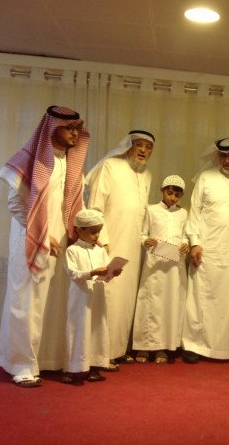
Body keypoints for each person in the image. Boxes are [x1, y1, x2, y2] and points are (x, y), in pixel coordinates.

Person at [0, 105, 89, 387]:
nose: (74, 134)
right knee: (28, 302)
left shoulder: (71, 164)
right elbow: (15, 204)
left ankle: (48, 360)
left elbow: (73, 206)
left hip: (62, 244)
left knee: (56, 302)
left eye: (77, 129)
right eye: (68, 128)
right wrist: (43, 235)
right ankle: (21, 365)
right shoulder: (30, 161)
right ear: (51, 128)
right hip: (32, 241)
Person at [182, 138, 229, 362]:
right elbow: (195, 211)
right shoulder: (205, 177)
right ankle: (194, 345)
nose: (227, 161)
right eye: (223, 156)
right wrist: (194, 242)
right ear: (217, 157)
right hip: (207, 249)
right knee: (201, 296)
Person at [86, 130, 154, 368]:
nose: (143, 150)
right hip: (110, 243)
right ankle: (101, 353)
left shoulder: (146, 175)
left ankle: (117, 349)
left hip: (132, 247)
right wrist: (102, 241)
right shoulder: (110, 166)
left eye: (148, 146)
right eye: (139, 144)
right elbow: (95, 207)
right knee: (109, 296)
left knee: (125, 299)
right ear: (128, 145)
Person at [133, 175, 189, 364]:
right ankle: (144, 346)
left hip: (174, 266)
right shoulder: (151, 210)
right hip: (154, 264)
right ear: (162, 191)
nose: (172, 198)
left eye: (177, 195)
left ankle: (163, 347)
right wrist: (145, 241)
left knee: (169, 304)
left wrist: (186, 244)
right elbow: (142, 233)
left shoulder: (183, 213)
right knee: (150, 302)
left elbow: (184, 235)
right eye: (169, 193)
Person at [64, 209, 122, 384]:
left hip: (97, 296)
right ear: (79, 230)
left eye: (98, 232)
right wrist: (91, 273)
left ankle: (95, 365)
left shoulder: (99, 250)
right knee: (79, 328)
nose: (97, 236)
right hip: (80, 296)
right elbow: (73, 274)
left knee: (97, 327)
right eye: (93, 232)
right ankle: (75, 368)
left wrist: (112, 272)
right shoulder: (72, 250)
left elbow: (105, 273)